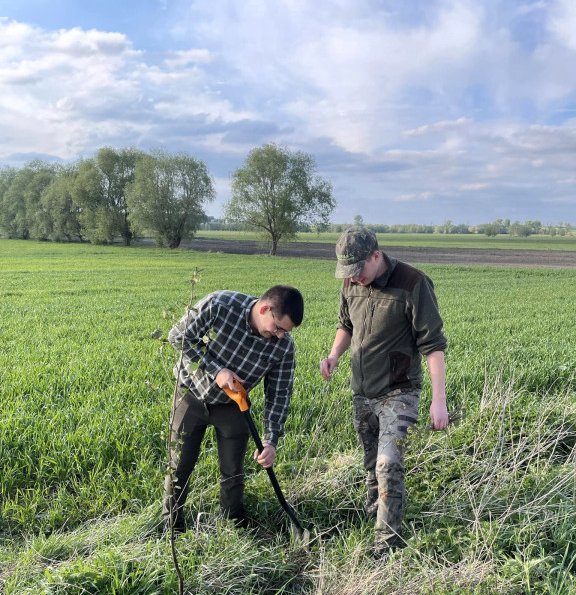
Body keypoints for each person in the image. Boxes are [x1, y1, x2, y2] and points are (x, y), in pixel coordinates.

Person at [320, 226, 449, 557]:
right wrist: (334, 355)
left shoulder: (413, 283)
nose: (353, 277)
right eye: (347, 272)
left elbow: (433, 346)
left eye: (358, 269)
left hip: (400, 391)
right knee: (370, 463)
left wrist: (438, 400)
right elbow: (345, 324)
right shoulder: (352, 282)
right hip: (362, 391)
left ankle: (385, 548)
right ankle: (372, 515)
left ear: (376, 256)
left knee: (388, 463)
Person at [163, 284, 304, 533]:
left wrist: (271, 441)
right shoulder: (220, 305)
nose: (281, 335)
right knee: (179, 466)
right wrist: (216, 370)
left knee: (233, 473)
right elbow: (178, 336)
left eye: (286, 331)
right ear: (265, 309)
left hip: (234, 405)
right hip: (190, 393)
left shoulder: (283, 346)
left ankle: (233, 528)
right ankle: (171, 527)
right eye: (279, 328)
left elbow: (279, 395)